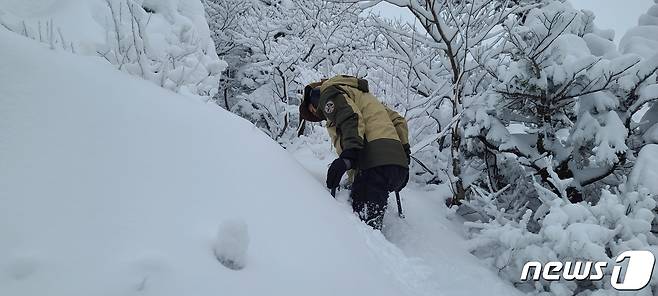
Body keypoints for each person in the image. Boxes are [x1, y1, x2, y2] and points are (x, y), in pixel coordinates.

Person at [299, 75, 410, 229]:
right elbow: (399, 121)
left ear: (312, 100)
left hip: (373, 164)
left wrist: (349, 155)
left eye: (313, 110)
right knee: (372, 231)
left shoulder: (327, 93)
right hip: (399, 168)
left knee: (365, 232)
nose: (318, 114)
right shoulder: (367, 98)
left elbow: (350, 116)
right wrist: (404, 153)